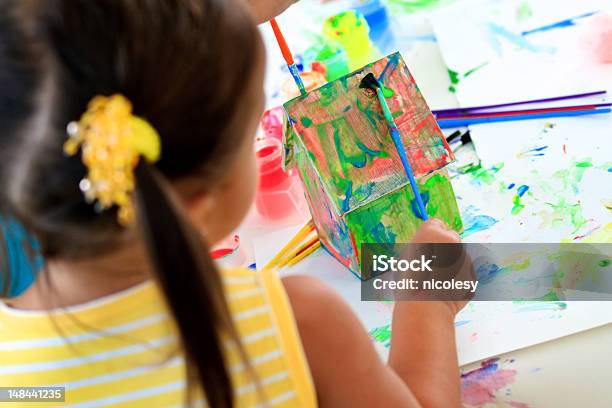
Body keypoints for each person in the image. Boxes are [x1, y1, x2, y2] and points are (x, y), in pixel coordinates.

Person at [0, 0, 465, 406]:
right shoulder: (298, 325)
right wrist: (427, 300)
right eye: (253, 133)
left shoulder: (13, 378)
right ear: (203, 200)